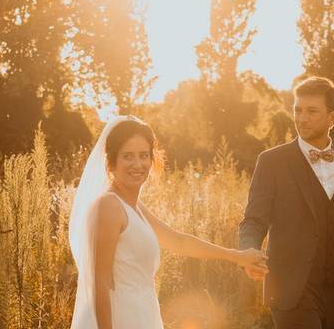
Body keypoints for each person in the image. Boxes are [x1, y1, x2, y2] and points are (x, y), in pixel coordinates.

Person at [69, 115, 268, 329]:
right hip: (120, 317)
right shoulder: (109, 206)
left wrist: (237, 256)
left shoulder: (133, 207)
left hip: (143, 314)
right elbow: (100, 283)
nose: (138, 164)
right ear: (111, 162)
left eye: (144, 155)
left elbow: (179, 241)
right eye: (127, 156)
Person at [239, 76, 334, 329]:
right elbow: (254, 218)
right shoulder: (272, 161)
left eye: (312, 111)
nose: (301, 118)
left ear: (332, 117)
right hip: (291, 290)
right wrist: (249, 249)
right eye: (297, 110)